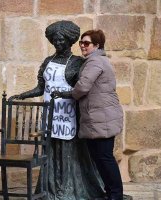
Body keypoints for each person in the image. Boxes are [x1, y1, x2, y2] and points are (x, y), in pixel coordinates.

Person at [10, 21, 105, 200]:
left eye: (61, 40)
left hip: (69, 117)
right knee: (51, 153)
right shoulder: (48, 61)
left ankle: (67, 190)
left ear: (69, 41)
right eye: (55, 40)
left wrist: (63, 94)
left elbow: (81, 89)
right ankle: (50, 189)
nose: (58, 43)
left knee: (69, 154)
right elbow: (41, 88)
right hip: (50, 117)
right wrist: (22, 95)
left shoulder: (77, 62)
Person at [52, 29, 124, 200]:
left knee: (105, 158)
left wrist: (67, 94)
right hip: (98, 118)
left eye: (87, 43)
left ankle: (116, 195)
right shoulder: (95, 60)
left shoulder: (95, 62)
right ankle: (111, 193)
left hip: (102, 118)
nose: (82, 46)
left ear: (97, 45)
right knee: (100, 159)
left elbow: (83, 86)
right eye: (81, 43)